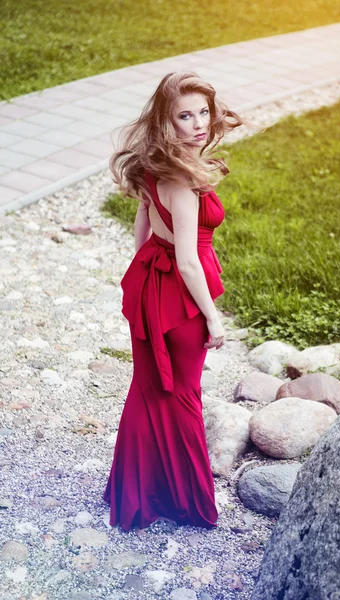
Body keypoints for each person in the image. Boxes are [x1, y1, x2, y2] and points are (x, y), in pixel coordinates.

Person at [103, 71, 245, 531]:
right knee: (181, 392)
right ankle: (185, 501)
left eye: (203, 111)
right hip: (179, 295)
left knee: (150, 387)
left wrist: (143, 270)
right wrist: (213, 316)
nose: (199, 123)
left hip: (148, 281)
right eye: (185, 116)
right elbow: (187, 262)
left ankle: (139, 490)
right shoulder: (182, 179)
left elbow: (143, 224)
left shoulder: (152, 164)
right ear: (168, 122)